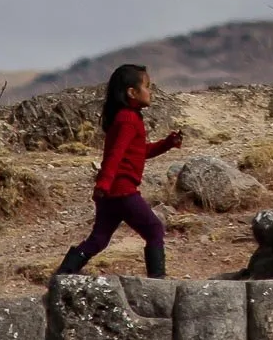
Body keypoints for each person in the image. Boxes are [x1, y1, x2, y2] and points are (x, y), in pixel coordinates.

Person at [54, 63, 183, 278]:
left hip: (110, 193)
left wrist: (167, 143)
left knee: (99, 239)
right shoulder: (128, 119)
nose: (150, 91)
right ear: (132, 92)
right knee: (154, 230)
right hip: (121, 190)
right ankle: (158, 283)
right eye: (147, 86)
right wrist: (103, 184)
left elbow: (139, 151)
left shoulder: (127, 118)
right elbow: (115, 154)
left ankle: (65, 273)